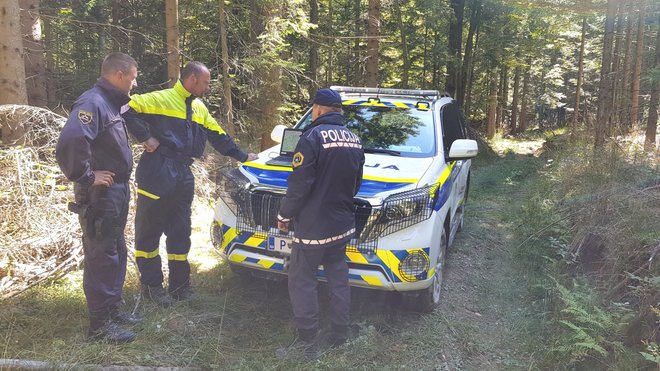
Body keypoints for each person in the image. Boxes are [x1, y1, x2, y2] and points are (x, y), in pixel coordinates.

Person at [125, 61, 258, 307]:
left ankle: (179, 286)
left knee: (180, 230)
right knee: (148, 231)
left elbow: (219, 137)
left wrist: (243, 156)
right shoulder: (160, 99)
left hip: (183, 174)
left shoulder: (199, 108)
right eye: (206, 82)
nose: (208, 87)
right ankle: (152, 287)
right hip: (157, 171)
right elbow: (125, 107)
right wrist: (145, 137)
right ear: (193, 79)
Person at [56, 52, 141, 343]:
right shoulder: (93, 102)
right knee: (101, 254)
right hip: (100, 195)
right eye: (132, 77)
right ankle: (100, 326)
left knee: (115, 248)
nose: (135, 82)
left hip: (115, 192)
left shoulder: (111, 104)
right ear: (119, 75)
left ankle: (112, 311)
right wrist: (88, 176)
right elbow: (72, 140)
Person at [276, 88, 365, 358]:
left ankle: (307, 340)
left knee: (302, 279)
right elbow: (356, 183)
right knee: (338, 276)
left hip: (313, 227)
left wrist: (284, 214)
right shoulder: (354, 140)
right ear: (338, 110)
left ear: (317, 109)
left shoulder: (311, 137)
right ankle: (339, 331)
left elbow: (300, 184)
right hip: (342, 224)